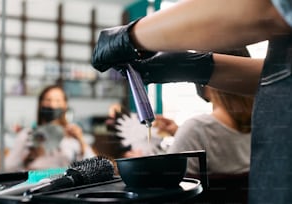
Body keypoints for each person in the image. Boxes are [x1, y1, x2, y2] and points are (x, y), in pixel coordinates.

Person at [91, 1, 292, 203]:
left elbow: (268, 11)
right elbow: (277, 77)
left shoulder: (197, 129)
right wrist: (196, 66)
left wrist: (132, 36)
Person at [167, 85, 253, 175]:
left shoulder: (196, 128)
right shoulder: (261, 126)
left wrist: (186, 133)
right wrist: (180, 132)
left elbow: (170, 180)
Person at [5, 85, 95, 171]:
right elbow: (9, 166)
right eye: (48, 100)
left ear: (65, 105)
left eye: (58, 101)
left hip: (64, 184)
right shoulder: (27, 134)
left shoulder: (72, 134)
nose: (52, 105)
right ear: (41, 104)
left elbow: (93, 165)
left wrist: (81, 140)